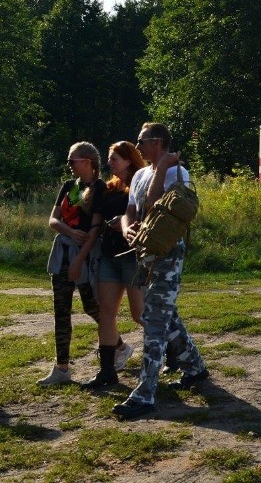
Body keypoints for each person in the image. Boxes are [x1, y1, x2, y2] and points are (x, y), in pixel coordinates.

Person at [112, 122, 208, 420]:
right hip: (144, 252)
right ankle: (195, 368)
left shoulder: (178, 173)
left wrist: (164, 166)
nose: (137, 147)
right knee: (165, 313)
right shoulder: (140, 174)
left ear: (158, 142)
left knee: (154, 318)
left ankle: (145, 394)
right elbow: (131, 211)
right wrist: (128, 231)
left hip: (167, 254)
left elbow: (154, 206)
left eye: (141, 141)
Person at [81, 141, 146, 390]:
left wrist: (126, 223)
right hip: (109, 255)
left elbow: (148, 216)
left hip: (132, 255)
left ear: (129, 160)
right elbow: (97, 221)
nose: (109, 163)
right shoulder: (108, 188)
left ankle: (174, 351)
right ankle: (107, 371)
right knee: (106, 313)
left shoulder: (141, 185)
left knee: (139, 314)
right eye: (109, 158)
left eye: (114, 159)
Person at [39, 142, 105, 385]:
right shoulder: (68, 186)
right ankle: (62, 369)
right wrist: (68, 230)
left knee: (92, 307)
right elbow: (53, 220)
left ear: (88, 161)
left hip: (87, 257)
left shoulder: (100, 189)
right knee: (61, 310)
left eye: (72, 161)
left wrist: (79, 259)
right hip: (63, 254)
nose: (69, 165)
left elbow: (95, 230)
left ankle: (116, 345)